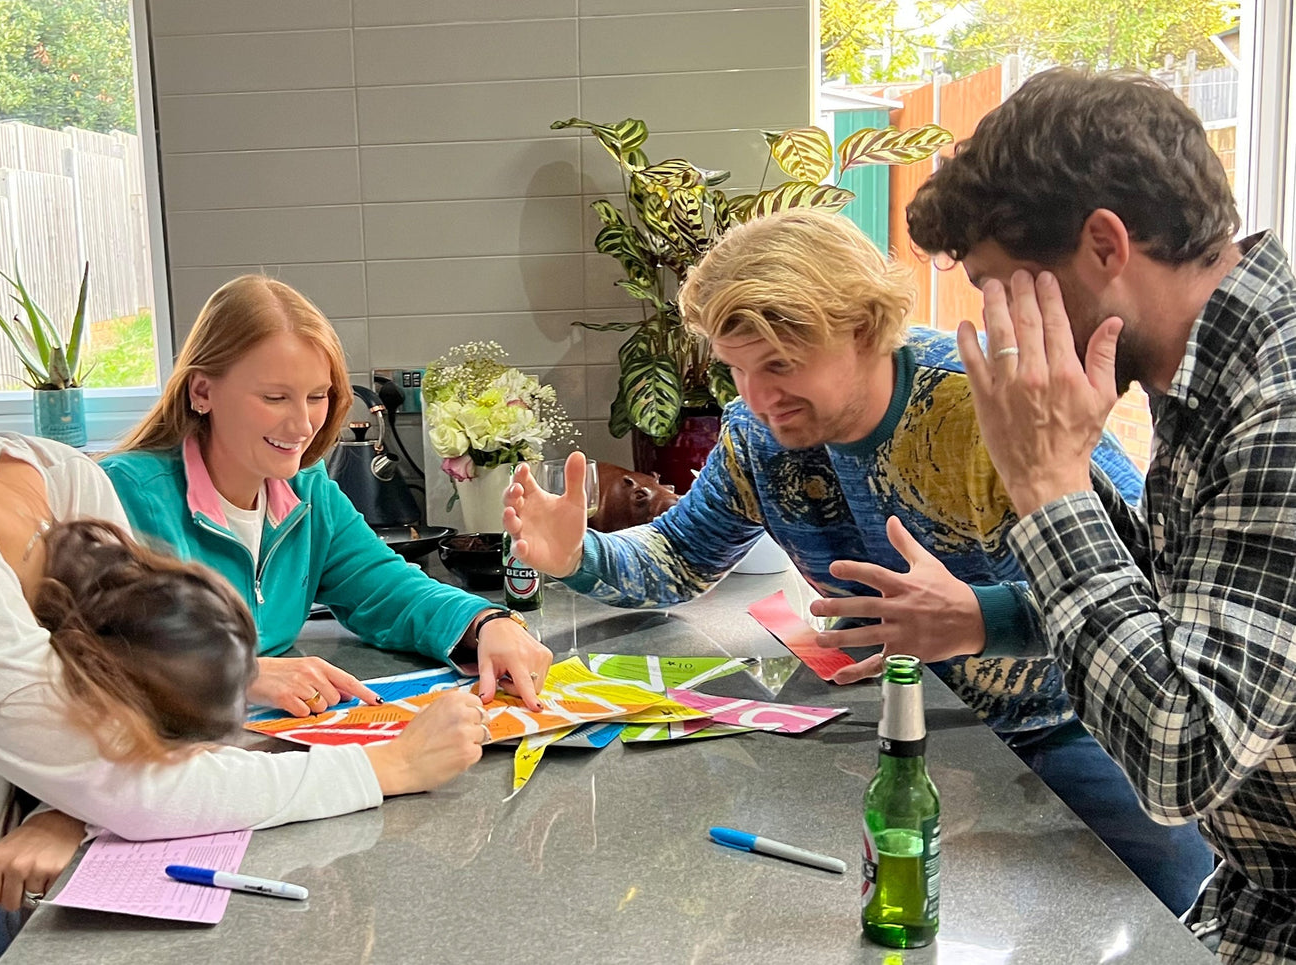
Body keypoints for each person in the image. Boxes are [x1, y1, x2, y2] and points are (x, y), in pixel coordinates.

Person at [503, 207, 1213, 915]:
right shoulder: (758, 434)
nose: (756, 396)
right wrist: (578, 553)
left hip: (1066, 724)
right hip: (904, 727)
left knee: (1172, 912)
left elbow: (1154, 586)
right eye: (738, 369)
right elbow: (679, 553)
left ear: (867, 329)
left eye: (780, 363)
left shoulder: (988, 404)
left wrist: (979, 617)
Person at [904, 68, 1296, 961]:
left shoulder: (1281, 403)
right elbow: (1183, 606)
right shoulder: (1208, 381)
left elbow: (1180, 751)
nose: (996, 326)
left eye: (1002, 290)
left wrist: (1050, 488)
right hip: (1249, 898)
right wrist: (1059, 479)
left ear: (1104, 245)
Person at [0, 433, 488, 963]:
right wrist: (386, 766)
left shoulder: (66, 485)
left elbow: (98, 744)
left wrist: (65, 803)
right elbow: (139, 788)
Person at [99, 275, 552, 718]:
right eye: (275, 397)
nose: (302, 426)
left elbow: (389, 590)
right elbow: (78, 657)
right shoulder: (119, 495)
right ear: (202, 391)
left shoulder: (308, 490)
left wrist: (486, 624)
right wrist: (236, 674)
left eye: (317, 396)